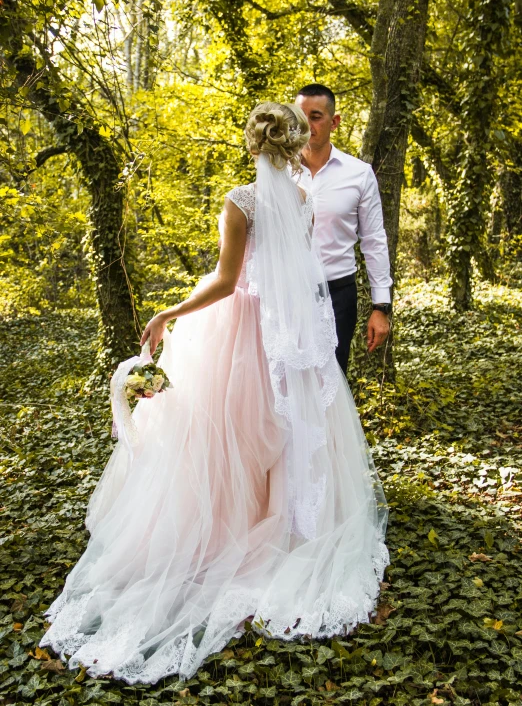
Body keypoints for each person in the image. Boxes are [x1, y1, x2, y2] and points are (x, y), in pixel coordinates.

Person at [40, 103, 388, 684]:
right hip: (283, 334)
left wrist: (168, 311)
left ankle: (229, 536)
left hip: (239, 329)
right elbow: (298, 273)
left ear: (254, 145)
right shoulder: (304, 200)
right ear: (293, 143)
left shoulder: (240, 200)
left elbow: (227, 281)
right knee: (274, 432)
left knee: (224, 431)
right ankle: (277, 529)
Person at [295, 84, 392, 373]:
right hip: (285, 298)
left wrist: (381, 306)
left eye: (315, 116)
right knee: (283, 392)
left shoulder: (359, 174)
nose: (306, 125)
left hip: (338, 297)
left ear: (334, 122)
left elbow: (374, 241)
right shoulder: (277, 172)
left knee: (331, 387)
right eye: (300, 117)